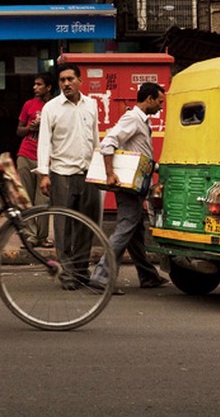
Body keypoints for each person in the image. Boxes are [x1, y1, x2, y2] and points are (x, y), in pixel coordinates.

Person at [89, 82, 169, 292]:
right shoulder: (132, 118)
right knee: (125, 229)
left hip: (137, 185)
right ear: (149, 99)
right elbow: (109, 143)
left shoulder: (141, 121)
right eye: (159, 101)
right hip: (128, 187)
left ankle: (147, 275)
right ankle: (101, 276)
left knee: (135, 232)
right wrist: (109, 174)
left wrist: (158, 168)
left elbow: (139, 150)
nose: (161, 106)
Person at [36, 62, 102, 284]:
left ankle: (81, 271)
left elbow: (96, 140)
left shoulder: (91, 105)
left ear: (79, 81)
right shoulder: (51, 108)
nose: (66, 84)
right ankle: (67, 273)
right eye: (62, 80)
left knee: (86, 225)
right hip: (61, 173)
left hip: (88, 173)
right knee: (63, 226)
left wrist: (100, 169)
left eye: (70, 79)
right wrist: (44, 174)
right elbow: (44, 142)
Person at [15, 71, 57, 246]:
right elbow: (19, 131)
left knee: (43, 199)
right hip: (26, 154)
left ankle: (42, 236)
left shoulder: (56, 106)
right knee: (26, 197)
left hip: (46, 158)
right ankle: (30, 236)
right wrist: (30, 127)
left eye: (39, 84)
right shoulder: (29, 105)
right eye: (34, 84)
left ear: (48, 87)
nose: (35, 87)